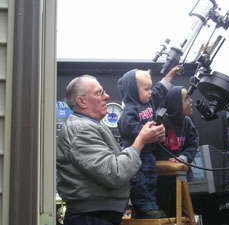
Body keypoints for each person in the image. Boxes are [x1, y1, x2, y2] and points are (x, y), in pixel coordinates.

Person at [56, 75, 166, 225]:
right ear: (81, 101)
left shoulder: (91, 126)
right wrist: (141, 140)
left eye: (104, 92)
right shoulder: (82, 130)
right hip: (91, 218)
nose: (106, 96)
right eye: (99, 93)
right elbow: (114, 173)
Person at [117, 66, 180, 219]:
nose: (150, 92)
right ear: (132, 90)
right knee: (140, 182)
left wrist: (170, 75)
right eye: (146, 89)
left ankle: (150, 205)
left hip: (149, 154)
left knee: (151, 179)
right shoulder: (130, 109)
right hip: (137, 155)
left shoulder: (150, 101)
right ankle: (144, 207)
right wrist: (146, 131)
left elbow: (160, 89)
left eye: (149, 88)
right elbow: (126, 127)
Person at [154, 86, 199, 217]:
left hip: (179, 178)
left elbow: (193, 143)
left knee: (183, 214)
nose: (191, 101)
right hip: (159, 181)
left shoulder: (187, 122)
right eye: (186, 99)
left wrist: (183, 158)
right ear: (176, 104)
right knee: (163, 215)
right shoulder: (160, 122)